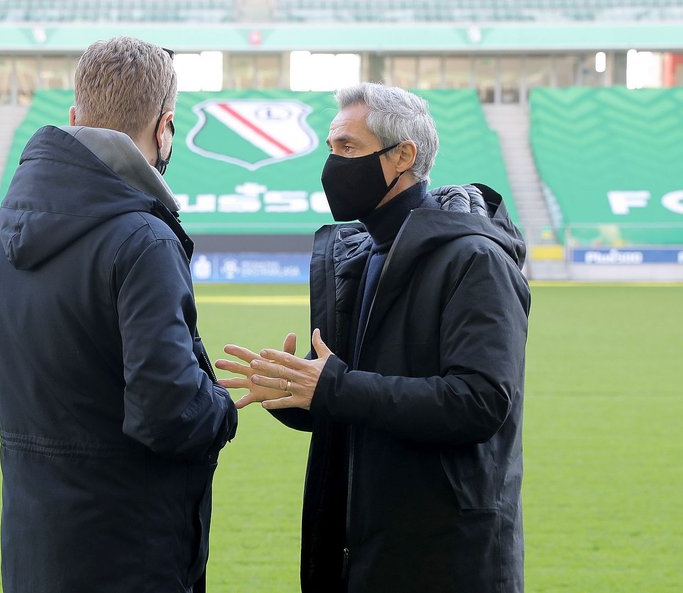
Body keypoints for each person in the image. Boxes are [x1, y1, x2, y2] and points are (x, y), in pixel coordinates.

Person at [0, 37, 237, 593]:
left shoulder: (1, 226)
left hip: (35, 546)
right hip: (131, 549)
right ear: (165, 126)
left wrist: (58, 415)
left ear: (74, 117)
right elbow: (168, 413)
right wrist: (222, 408)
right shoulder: (143, 238)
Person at [216, 82, 530, 593]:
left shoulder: (476, 260)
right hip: (357, 546)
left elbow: (479, 403)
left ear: (403, 155)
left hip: (443, 557)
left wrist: (333, 387)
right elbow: (364, 395)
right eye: (331, 148)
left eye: (348, 148)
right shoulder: (361, 256)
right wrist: (301, 395)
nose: (333, 165)